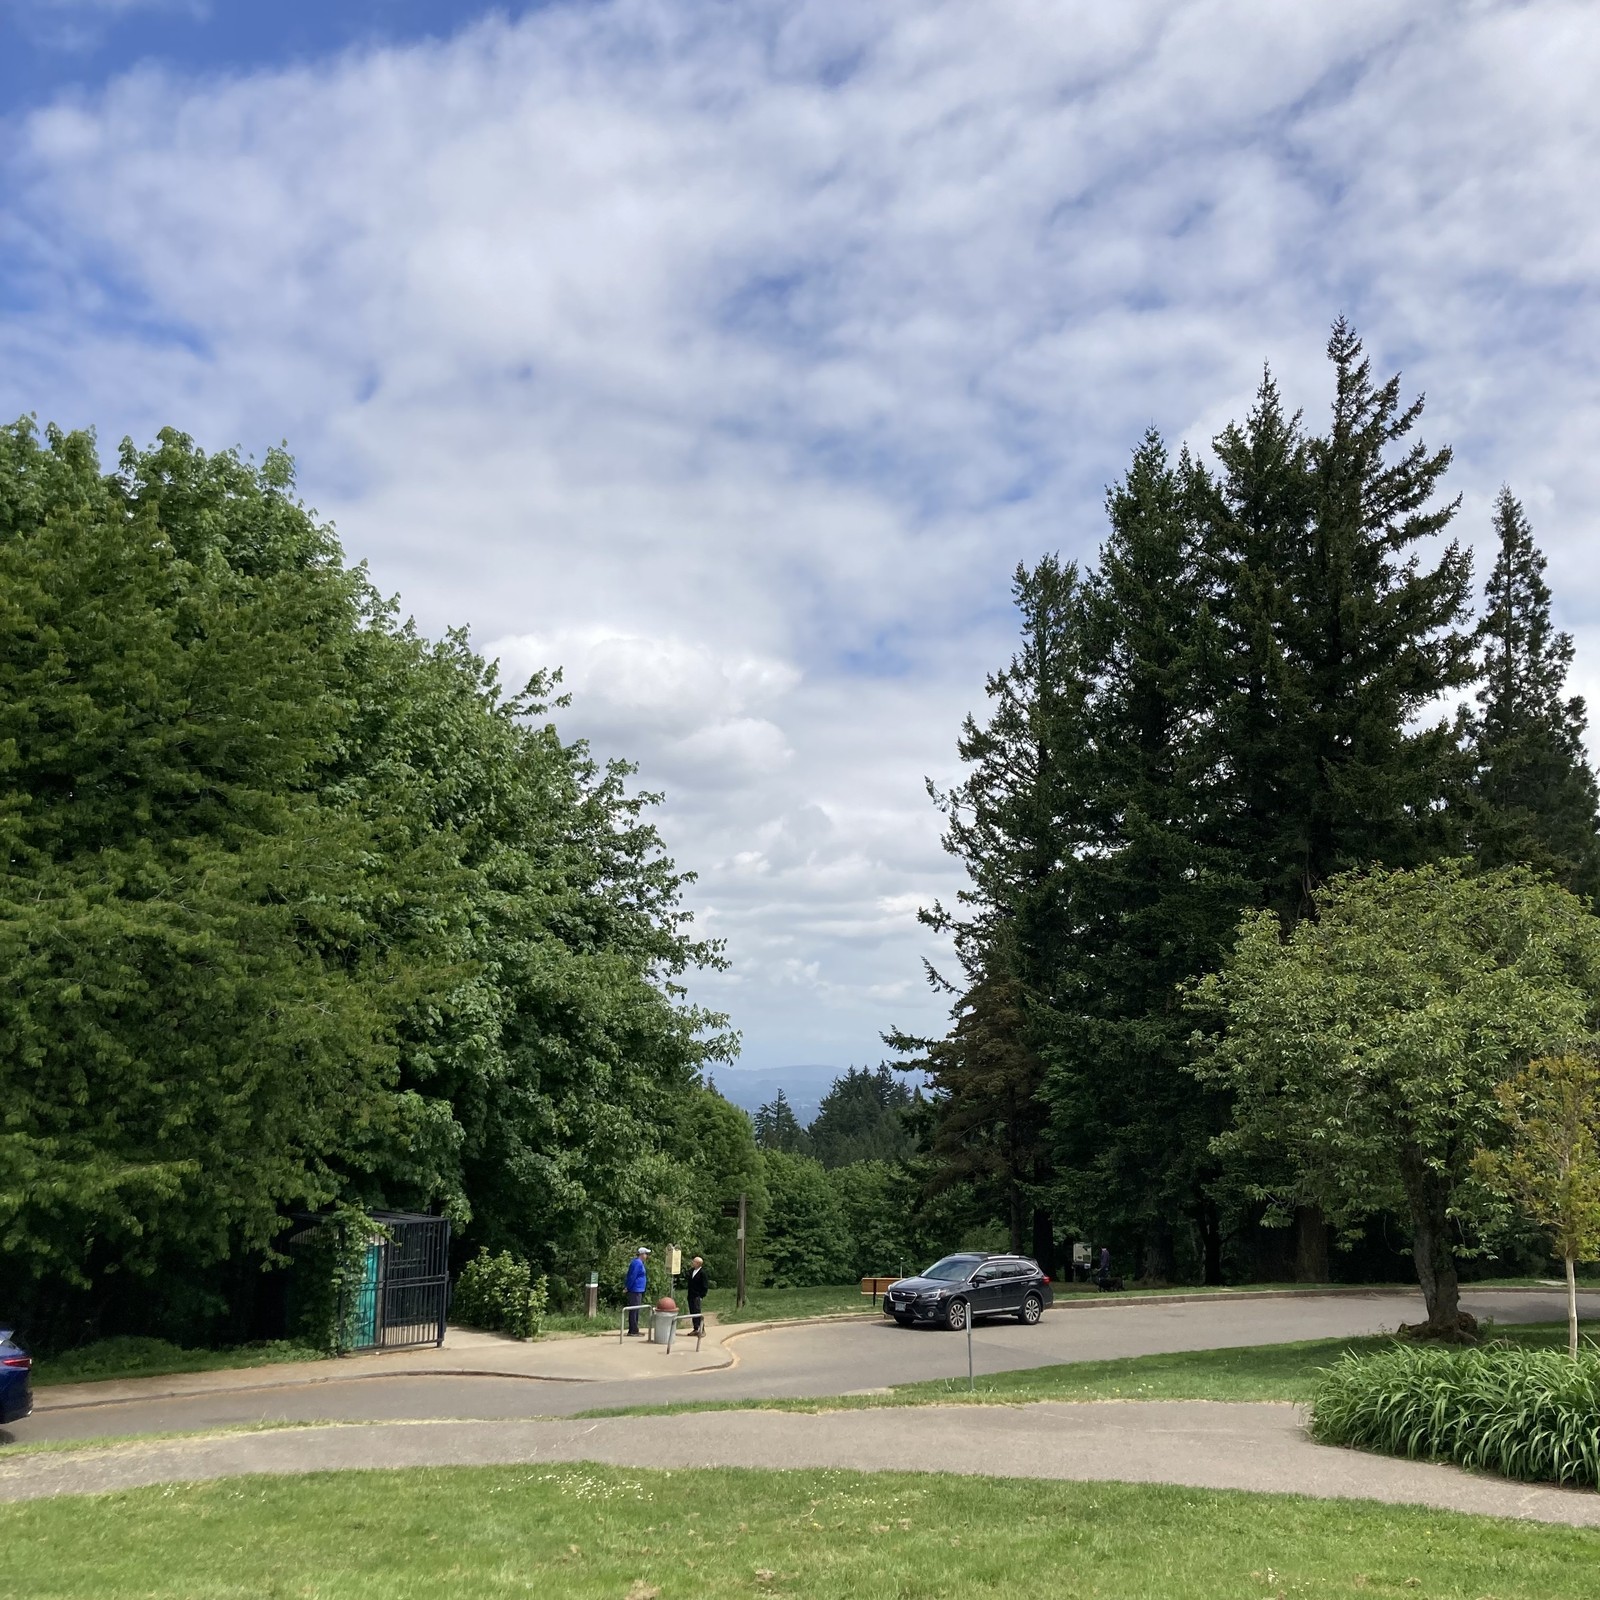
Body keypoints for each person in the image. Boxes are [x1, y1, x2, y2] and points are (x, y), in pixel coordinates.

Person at [625, 1246, 650, 1335]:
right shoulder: (637, 1263)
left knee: (636, 1310)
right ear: (642, 1254)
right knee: (634, 1310)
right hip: (635, 1289)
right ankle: (633, 1330)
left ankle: (634, 1329)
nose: (647, 1256)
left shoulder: (639, 1263)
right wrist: (627, 1287)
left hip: (638, 1289)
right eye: (646, 1254)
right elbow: (632, 1276)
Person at [686, 1255, 708, 1336]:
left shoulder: (702, 1273)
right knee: (692, 1312)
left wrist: (702, 1296)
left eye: (694, 1262)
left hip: (697, 1296)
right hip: (690, 1295)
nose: (692, 1263)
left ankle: (702, 1329)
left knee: (697, 1312)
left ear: (698, 1263)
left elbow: (705, 1286)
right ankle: (696, 1328)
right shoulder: (691, 1271)